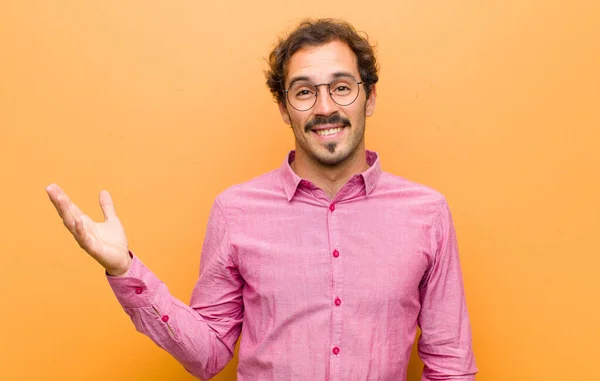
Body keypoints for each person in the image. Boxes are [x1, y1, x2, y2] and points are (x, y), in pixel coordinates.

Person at [46, 18, 478, 381]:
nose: (325, 107)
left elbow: (450, 364)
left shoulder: (427, 213)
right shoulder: (235, 211)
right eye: (304, 92)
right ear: (284, 107)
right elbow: (208, 354)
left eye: (342, 87)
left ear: (370, 97)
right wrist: (124, 268)